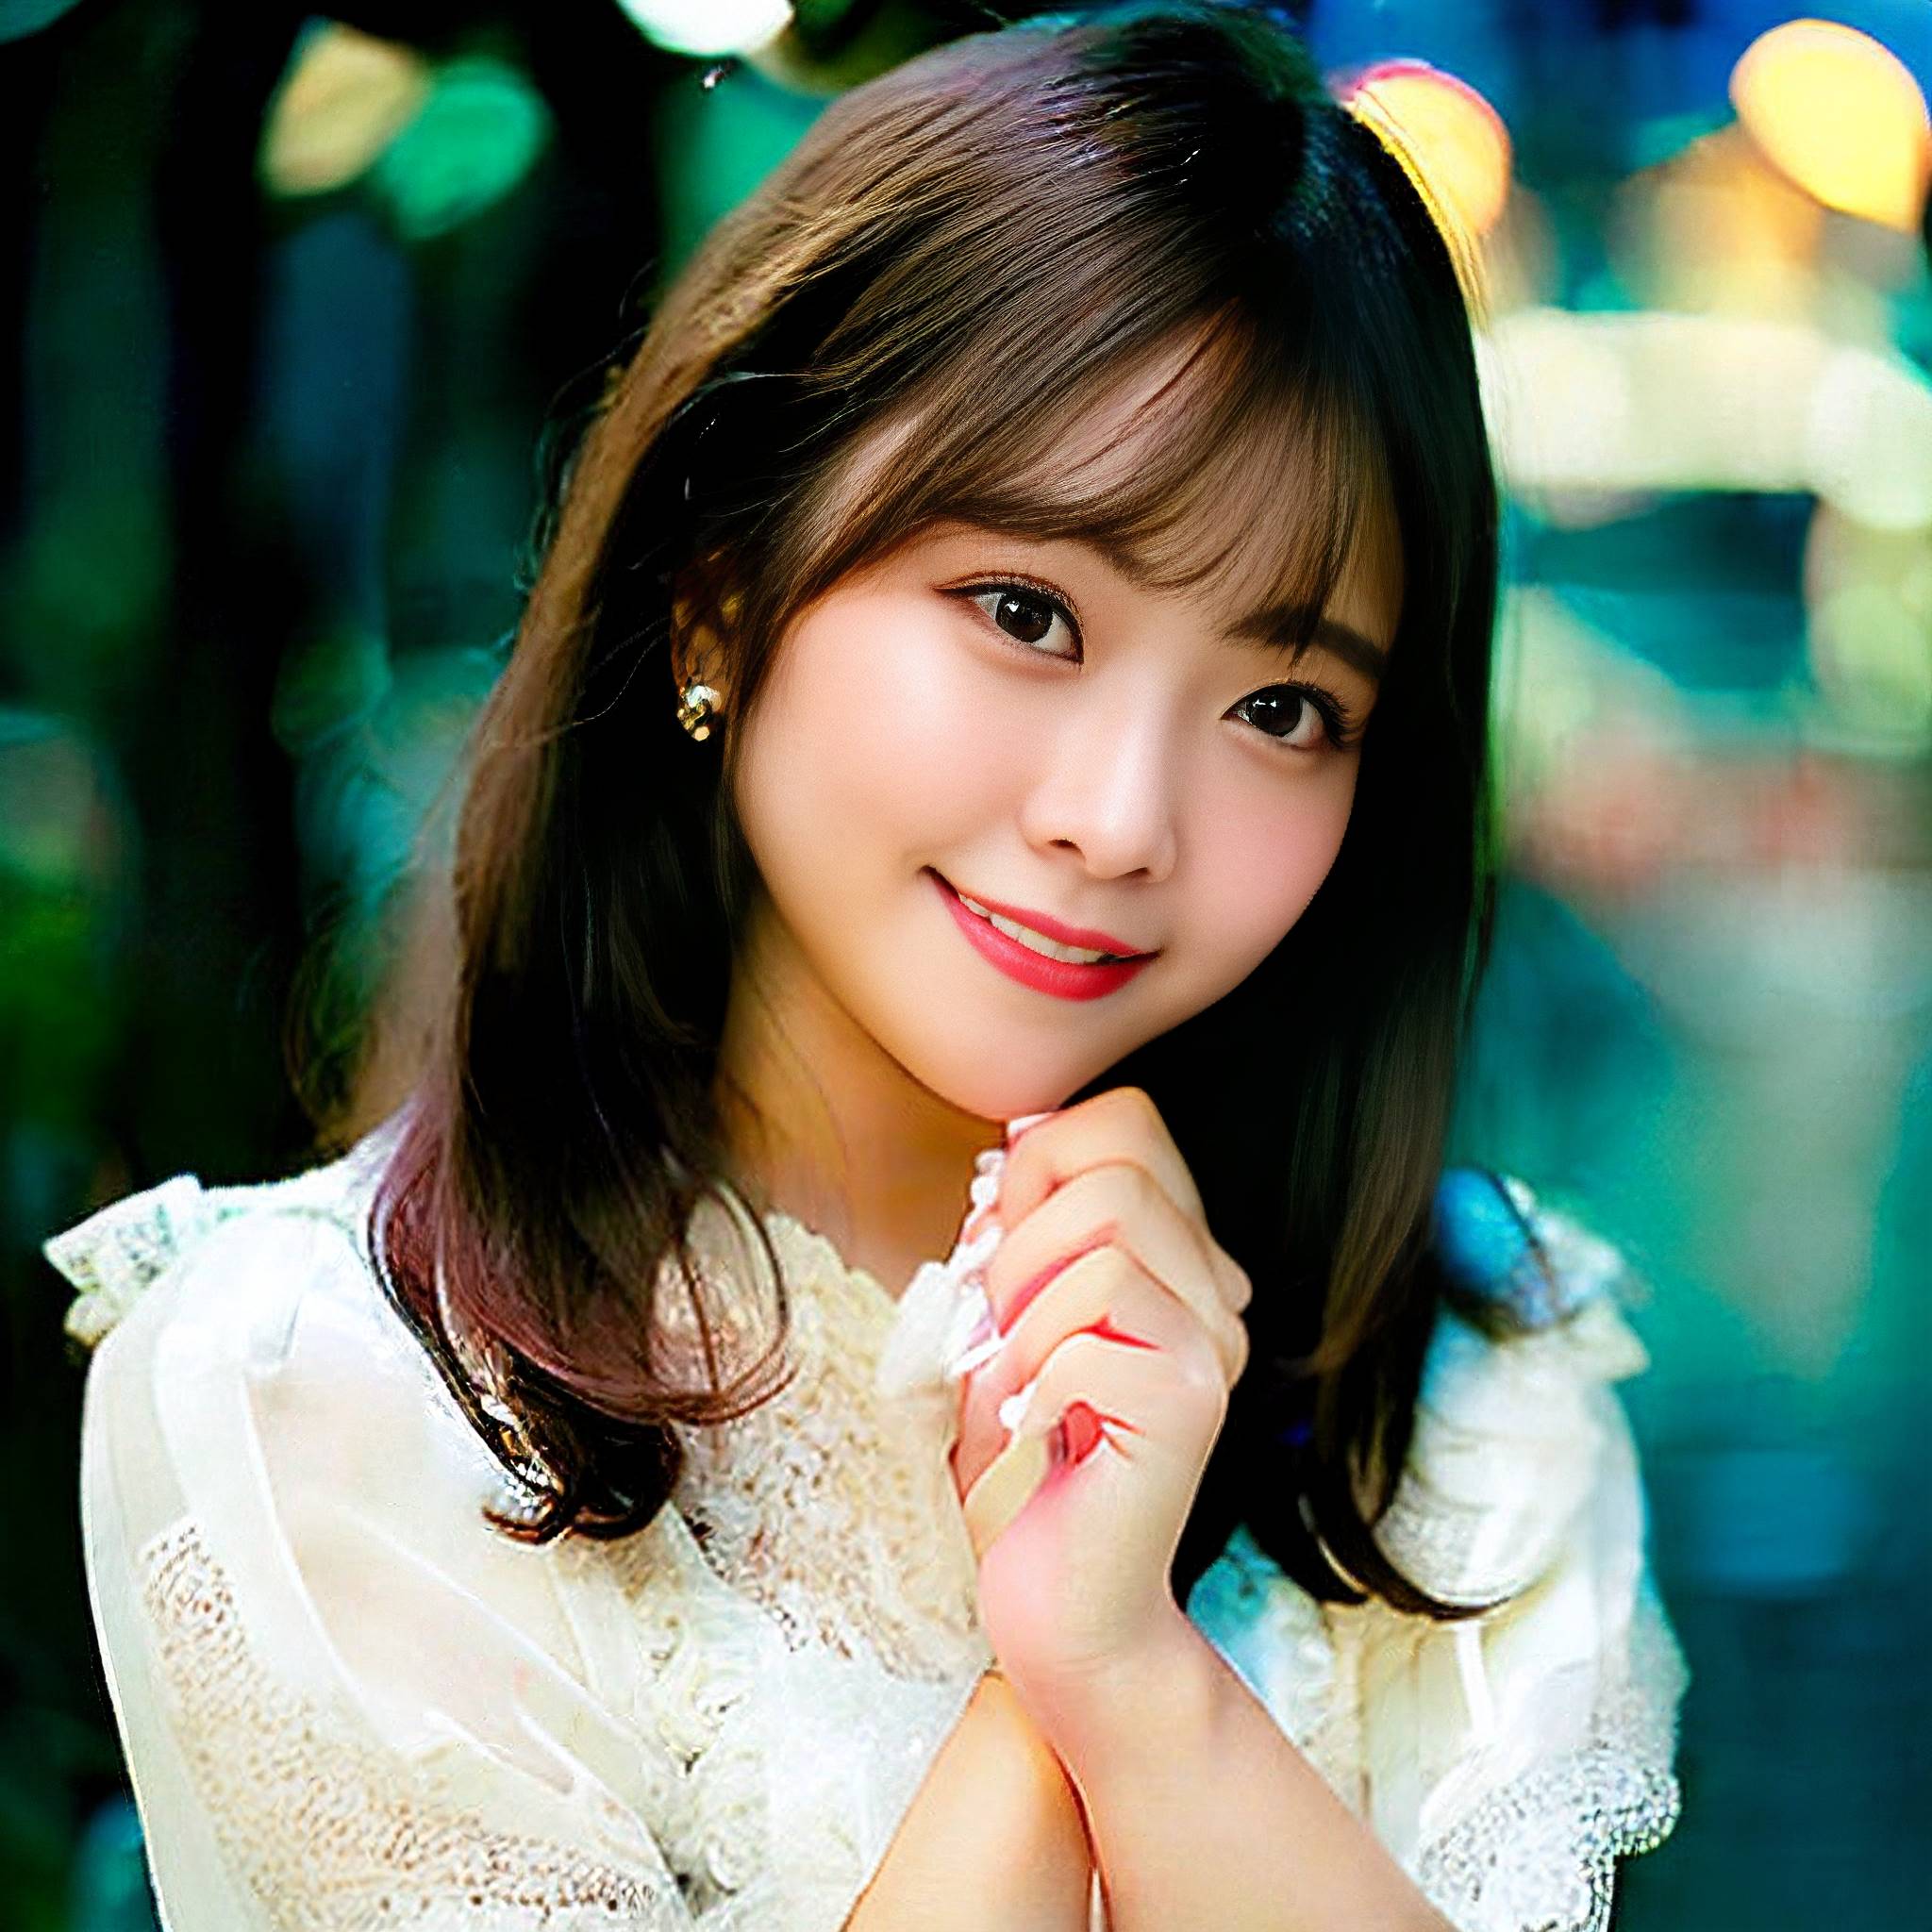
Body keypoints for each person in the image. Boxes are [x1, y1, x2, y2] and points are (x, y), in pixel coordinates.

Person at [50, 6, 1690, 1928]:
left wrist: (1132, 1679)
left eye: (1280, 701)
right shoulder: (325, 1394)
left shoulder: (1469, 1392)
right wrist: (1046, 1684)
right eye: (1024, 610)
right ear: (717, 580)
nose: (1119, 815)